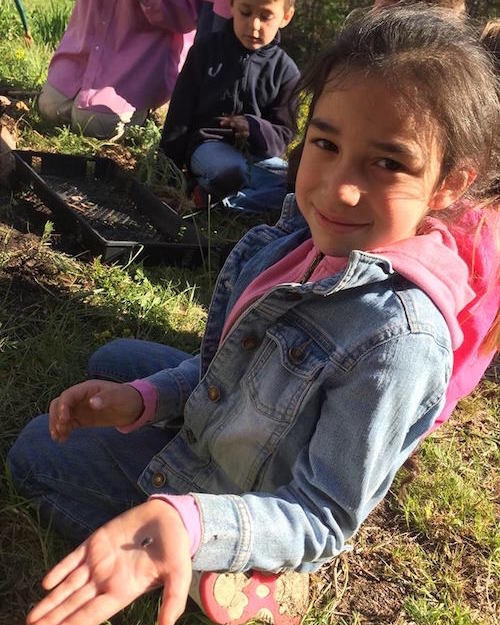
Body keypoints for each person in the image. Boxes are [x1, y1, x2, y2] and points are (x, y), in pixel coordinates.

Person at [8, 6, 499, 625]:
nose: (338, 189)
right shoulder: (304, 238)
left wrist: (183, 522)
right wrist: (141, 400)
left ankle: (222, 576)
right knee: (117, 362)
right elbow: (227, 364)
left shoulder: (400, 340)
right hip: (236, 419)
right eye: (326, 144)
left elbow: (322, 513)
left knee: (35, 454)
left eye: (388, 163)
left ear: (450, 186)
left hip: (252, 498)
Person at [160, 0, 299, 212]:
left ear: (286, 17)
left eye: (265, 17)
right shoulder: (204, 51)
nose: (253, 25)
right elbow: (179, 116)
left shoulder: (286, 71)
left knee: (294, 186)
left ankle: (214, 201)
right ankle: (231, 196)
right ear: (231, 6)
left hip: (259, 157)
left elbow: (284, 134)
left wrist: (252, 127)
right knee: (232, 171)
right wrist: (168, 171)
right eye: (245, 12)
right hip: (209, 147)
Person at [37, 0, 200, 141]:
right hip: (85, 48)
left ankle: (149, 108)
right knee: (50, 106)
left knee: (94, 122)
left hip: (140, 59)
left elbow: (185, 17)